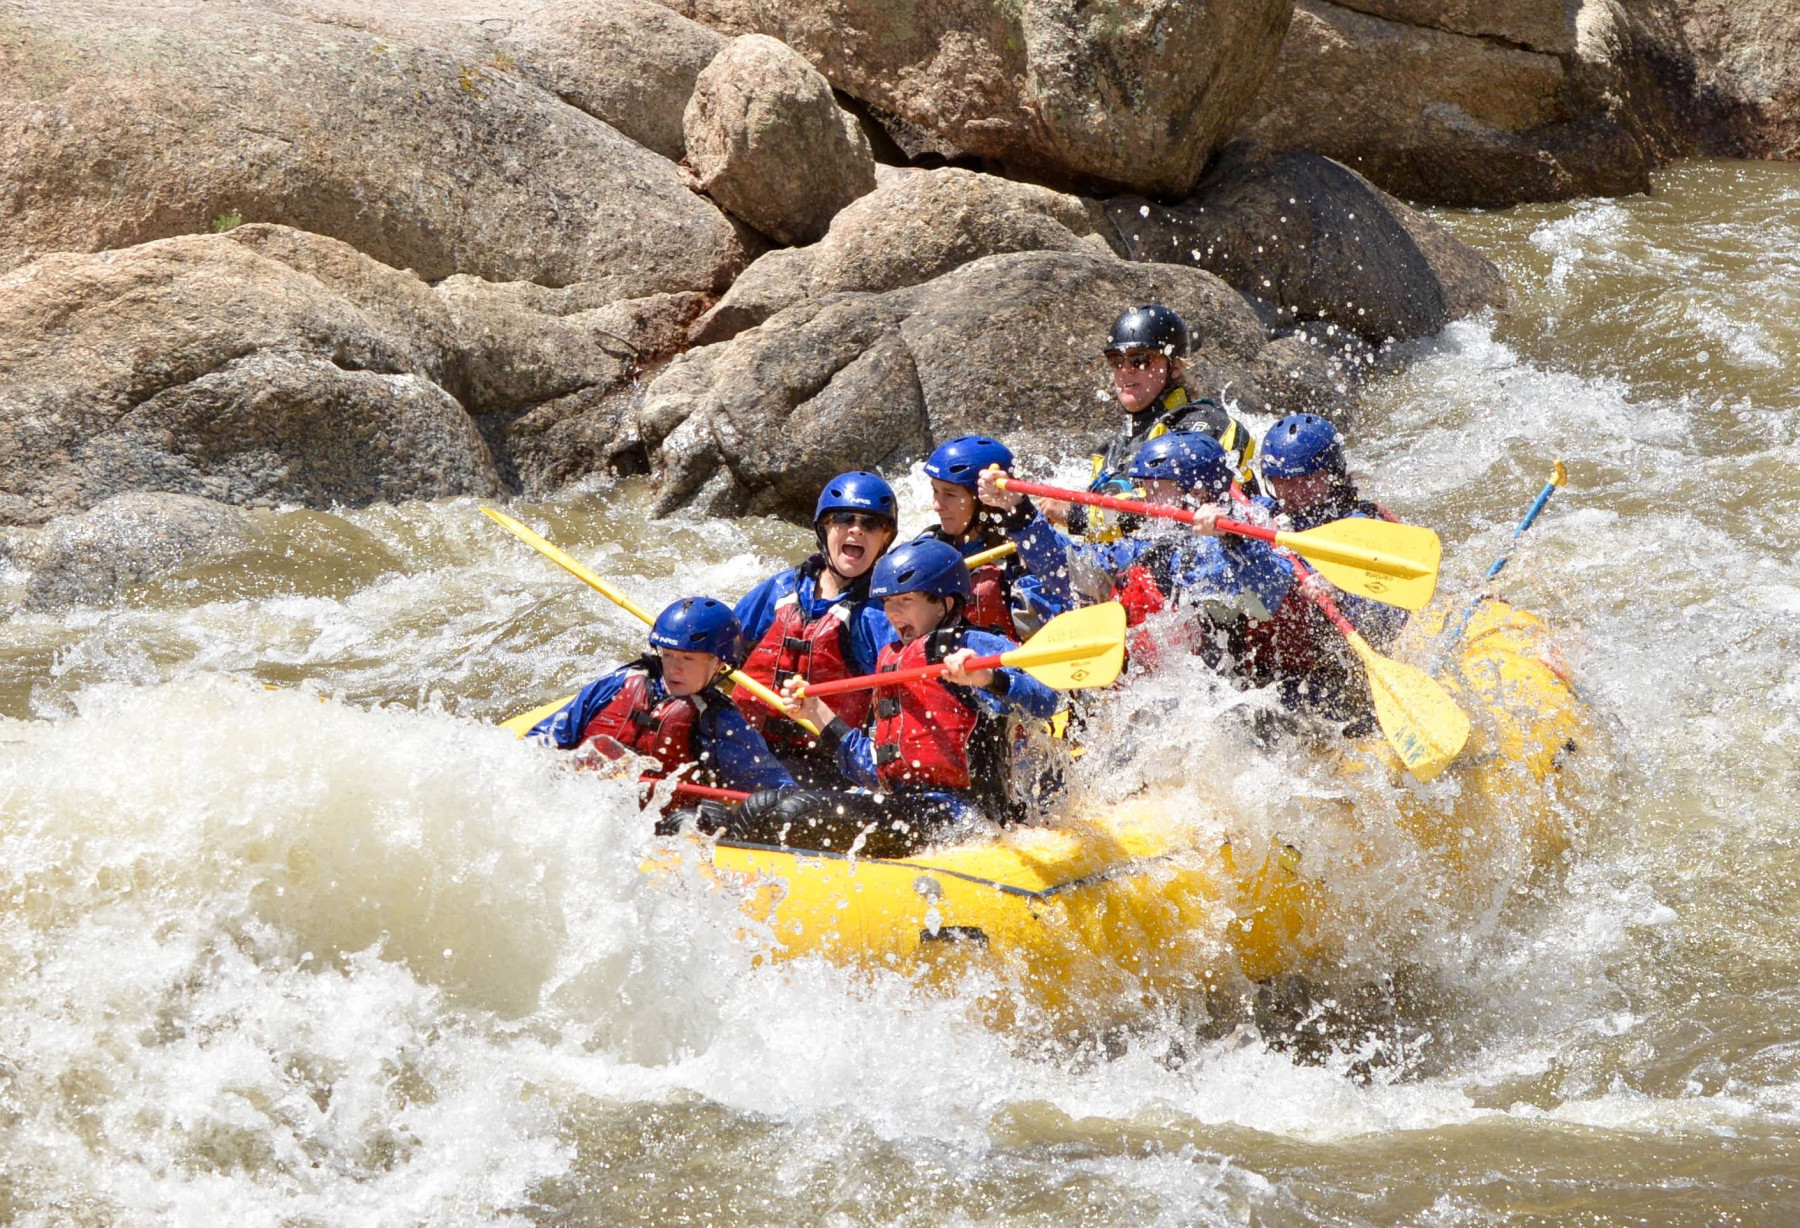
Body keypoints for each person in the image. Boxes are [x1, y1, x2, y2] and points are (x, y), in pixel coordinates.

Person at [732, 538, 1064, 857]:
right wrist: (816, 712)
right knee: (742, 813)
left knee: (787, 813)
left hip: (961, 815)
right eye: (888, 603)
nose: (892, 614)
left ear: (944, 604)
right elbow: (874, 767)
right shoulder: (893, 658)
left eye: (905, 601)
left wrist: (986, 677)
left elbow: (1046, 696)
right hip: (906, 805)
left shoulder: (971, 645)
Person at [978, 433, 1293, 673]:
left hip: (1226, 690)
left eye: (1157, 487)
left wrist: (1232, 539)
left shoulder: (1245, 533)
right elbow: (1068, 573)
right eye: (1144, 485)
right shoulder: (1144, 544)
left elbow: (1267, 597)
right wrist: (1018, 511)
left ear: (1197, 491)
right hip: (1156, 689)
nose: (1145, 496)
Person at [529, 597, 795, 828]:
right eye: (668, 655)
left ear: (718, 663)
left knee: (693, 821)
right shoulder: (615, 685)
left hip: (659, 832)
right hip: (575, 813)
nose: (674, 669)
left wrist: (725, 816)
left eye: (688, 659)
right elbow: (541, 739)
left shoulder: (719, 722)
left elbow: (775, 790)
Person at [1238, 413, 1409, 726]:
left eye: (1306, 478)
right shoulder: (1260, 515)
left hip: (1337, 671)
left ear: (1333, 475)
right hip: (1280, 670)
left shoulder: (1364, 526)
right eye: (1282, 480)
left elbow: (1396, 612)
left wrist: (1342, 592)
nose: (1293, 491)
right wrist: (1221, 532)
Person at [732, 470, 901, 785]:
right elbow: (716, 655)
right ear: (824, 528)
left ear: (885, 539)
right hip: (746, 745)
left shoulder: (879, 615)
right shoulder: (780, 590)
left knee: (776, 807)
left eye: (871, 524)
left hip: (825, 762)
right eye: (844, 519)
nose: (857, 530)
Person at [1055, 305, 1259, 537]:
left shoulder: (1205, 426)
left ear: (1176, 366)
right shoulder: (1110, 451)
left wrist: (1076, 516)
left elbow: (1171, 512)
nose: (1125, 370)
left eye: (1140, 359)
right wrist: (1022, 511)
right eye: (1115, 360)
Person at [915, 434, 1060, 640]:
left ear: (984, 500)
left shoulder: (1020, 556)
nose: (936, 505)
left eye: (950, 494)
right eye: (935, 491)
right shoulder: (929, 543)